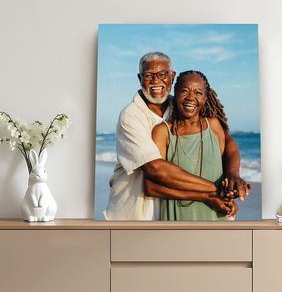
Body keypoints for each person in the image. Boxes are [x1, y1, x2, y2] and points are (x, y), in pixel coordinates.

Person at [104, 52, 248, 220]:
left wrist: (233, 175)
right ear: (139, 78)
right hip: (134, 211)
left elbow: (227, 142)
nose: (156, 81)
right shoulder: (130, 116)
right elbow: (156, 169)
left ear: (172, 77)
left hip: (169, 210)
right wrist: (218, 190)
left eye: (163, 74)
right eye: (148, 75)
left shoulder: (180, 104)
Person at [145, 70, 250, 220]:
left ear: (205, 98)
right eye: (184, 91)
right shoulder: (163, 132)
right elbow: (151, 187)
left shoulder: (213, 125)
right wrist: (207, 197)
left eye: (198, 92)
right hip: (179, 224)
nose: (191, 98)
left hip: (217, 220)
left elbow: (230, 147)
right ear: (175, 93)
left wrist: (233, 176)